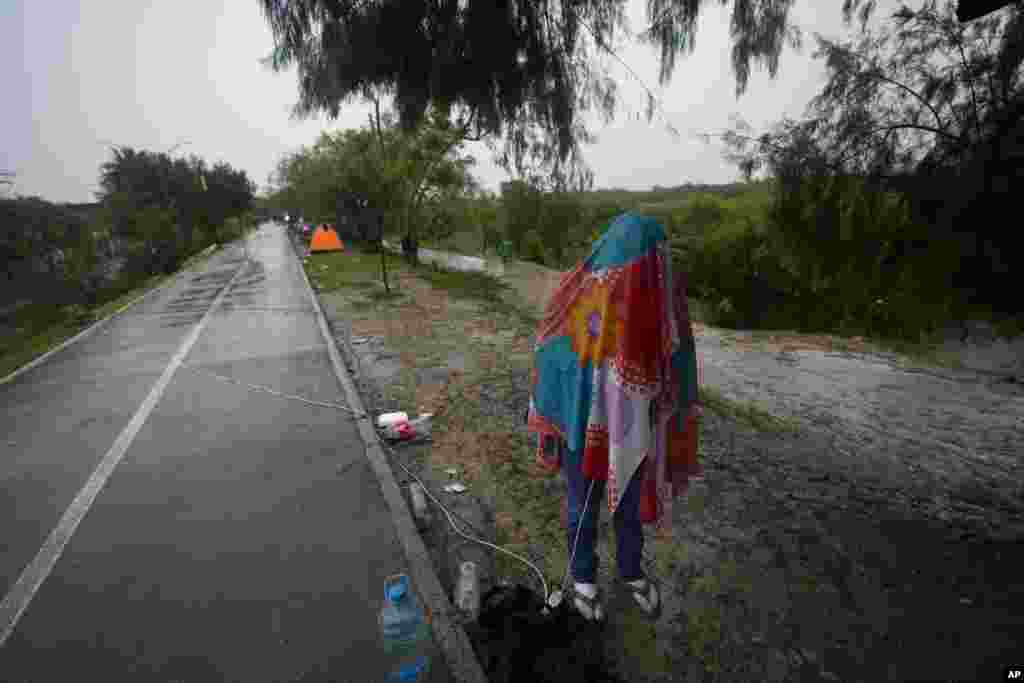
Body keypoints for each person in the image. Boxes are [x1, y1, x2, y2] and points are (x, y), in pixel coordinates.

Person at [527, 212, 702, 622]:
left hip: (635, 422)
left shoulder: (662, 289)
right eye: (647, 256)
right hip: (580, 419)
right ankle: (584, 577)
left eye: (658, 255)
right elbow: (549, 345)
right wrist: (572, 400)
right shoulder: (579, 288)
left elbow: (679, 355)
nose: (653, 264)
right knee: (582, 501)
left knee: (627, 501)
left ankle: (629, 570)